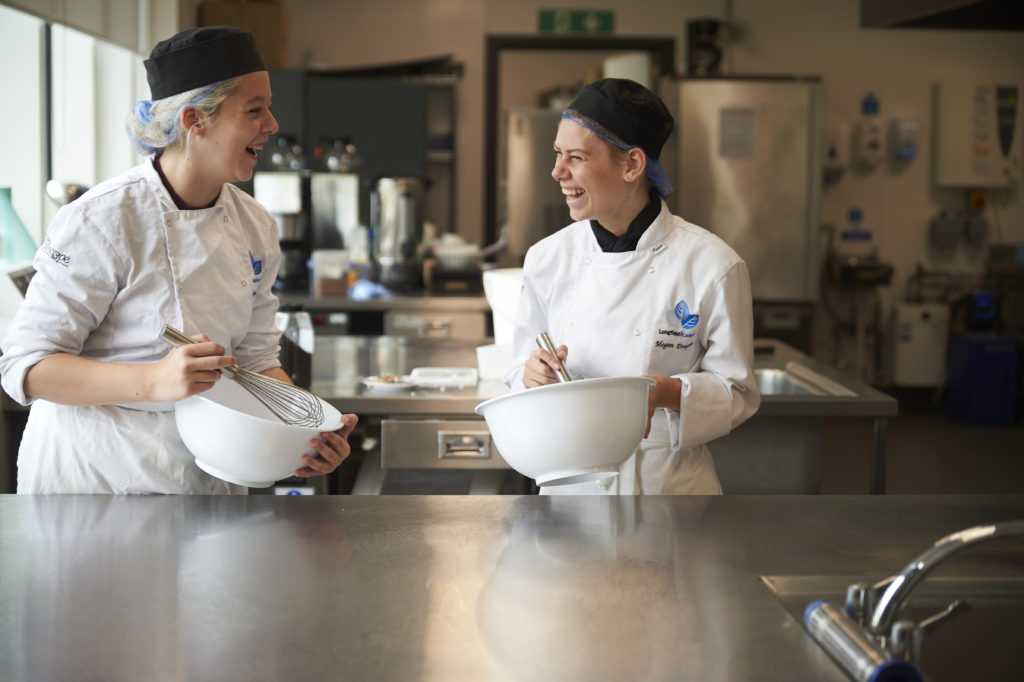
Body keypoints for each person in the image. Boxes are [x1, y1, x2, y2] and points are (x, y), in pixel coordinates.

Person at [0, 26, 357, 494]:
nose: (272, 124)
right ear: (195, 121)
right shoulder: (102, 218)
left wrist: (307, 431)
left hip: (208, 474)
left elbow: (254, 360)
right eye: (255, 110)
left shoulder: (255, 225)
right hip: (95, 484)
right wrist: (155, 380)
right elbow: (27, 366)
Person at [506, 78, 760, 495]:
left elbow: (738, 392)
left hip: (670, 489)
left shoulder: (713, 264)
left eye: (576, 157)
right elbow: (517, 370)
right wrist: (530, 375)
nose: (557, 171)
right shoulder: (547, 259)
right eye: (557, 154)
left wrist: (669, 393)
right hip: (573, 482)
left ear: (632, 165)